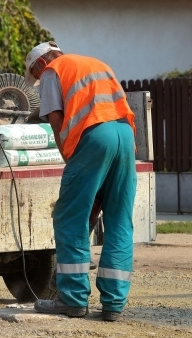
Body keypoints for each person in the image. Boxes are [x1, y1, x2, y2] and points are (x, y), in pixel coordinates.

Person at [24, 41, 137, 322]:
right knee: (120, 221)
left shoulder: (52, 71)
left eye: (35, 76)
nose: (39, 80)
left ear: (40, 64)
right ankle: (114, 304)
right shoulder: (95, 63)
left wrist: (72, 166)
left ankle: (72, 299)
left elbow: (56, 119)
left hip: (94, 135)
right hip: (124, 136)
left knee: (70, 216)